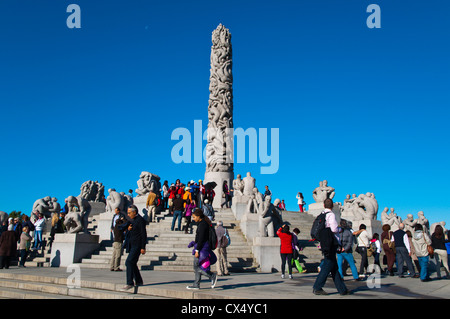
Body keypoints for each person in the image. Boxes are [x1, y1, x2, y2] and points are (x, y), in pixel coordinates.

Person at [312, 198, 349, 295]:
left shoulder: (321, 215)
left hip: (324, 242)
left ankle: (342, 289)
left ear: (324, 205)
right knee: (328, 265)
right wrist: (339, 229)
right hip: (331, 243)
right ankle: (317, 287)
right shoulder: (331, 215)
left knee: (334, 267)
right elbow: (334, 229)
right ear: (332, 206)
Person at [186, 208, 218, 290]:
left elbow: (201, 238)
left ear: (198, 216)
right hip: (201, 247)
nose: (193, 219)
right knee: (197, 266)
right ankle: (196, 284)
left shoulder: (203, 224)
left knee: (196, 267)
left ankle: (211, 276)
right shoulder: (202, 223)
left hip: (202, 248)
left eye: (194, 217)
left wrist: (197, 250)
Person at [121, 205, 147, 291]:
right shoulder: (134, 220)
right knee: (132, 263)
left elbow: (143, 234)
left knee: (129, 262)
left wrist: (143, 247)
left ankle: (129, 283)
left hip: (137, 245)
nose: (128, 214)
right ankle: (139, 281)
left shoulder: (140, 220)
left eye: (129, 213)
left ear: (134, 212)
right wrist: (128, 229)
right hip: (133, 245)